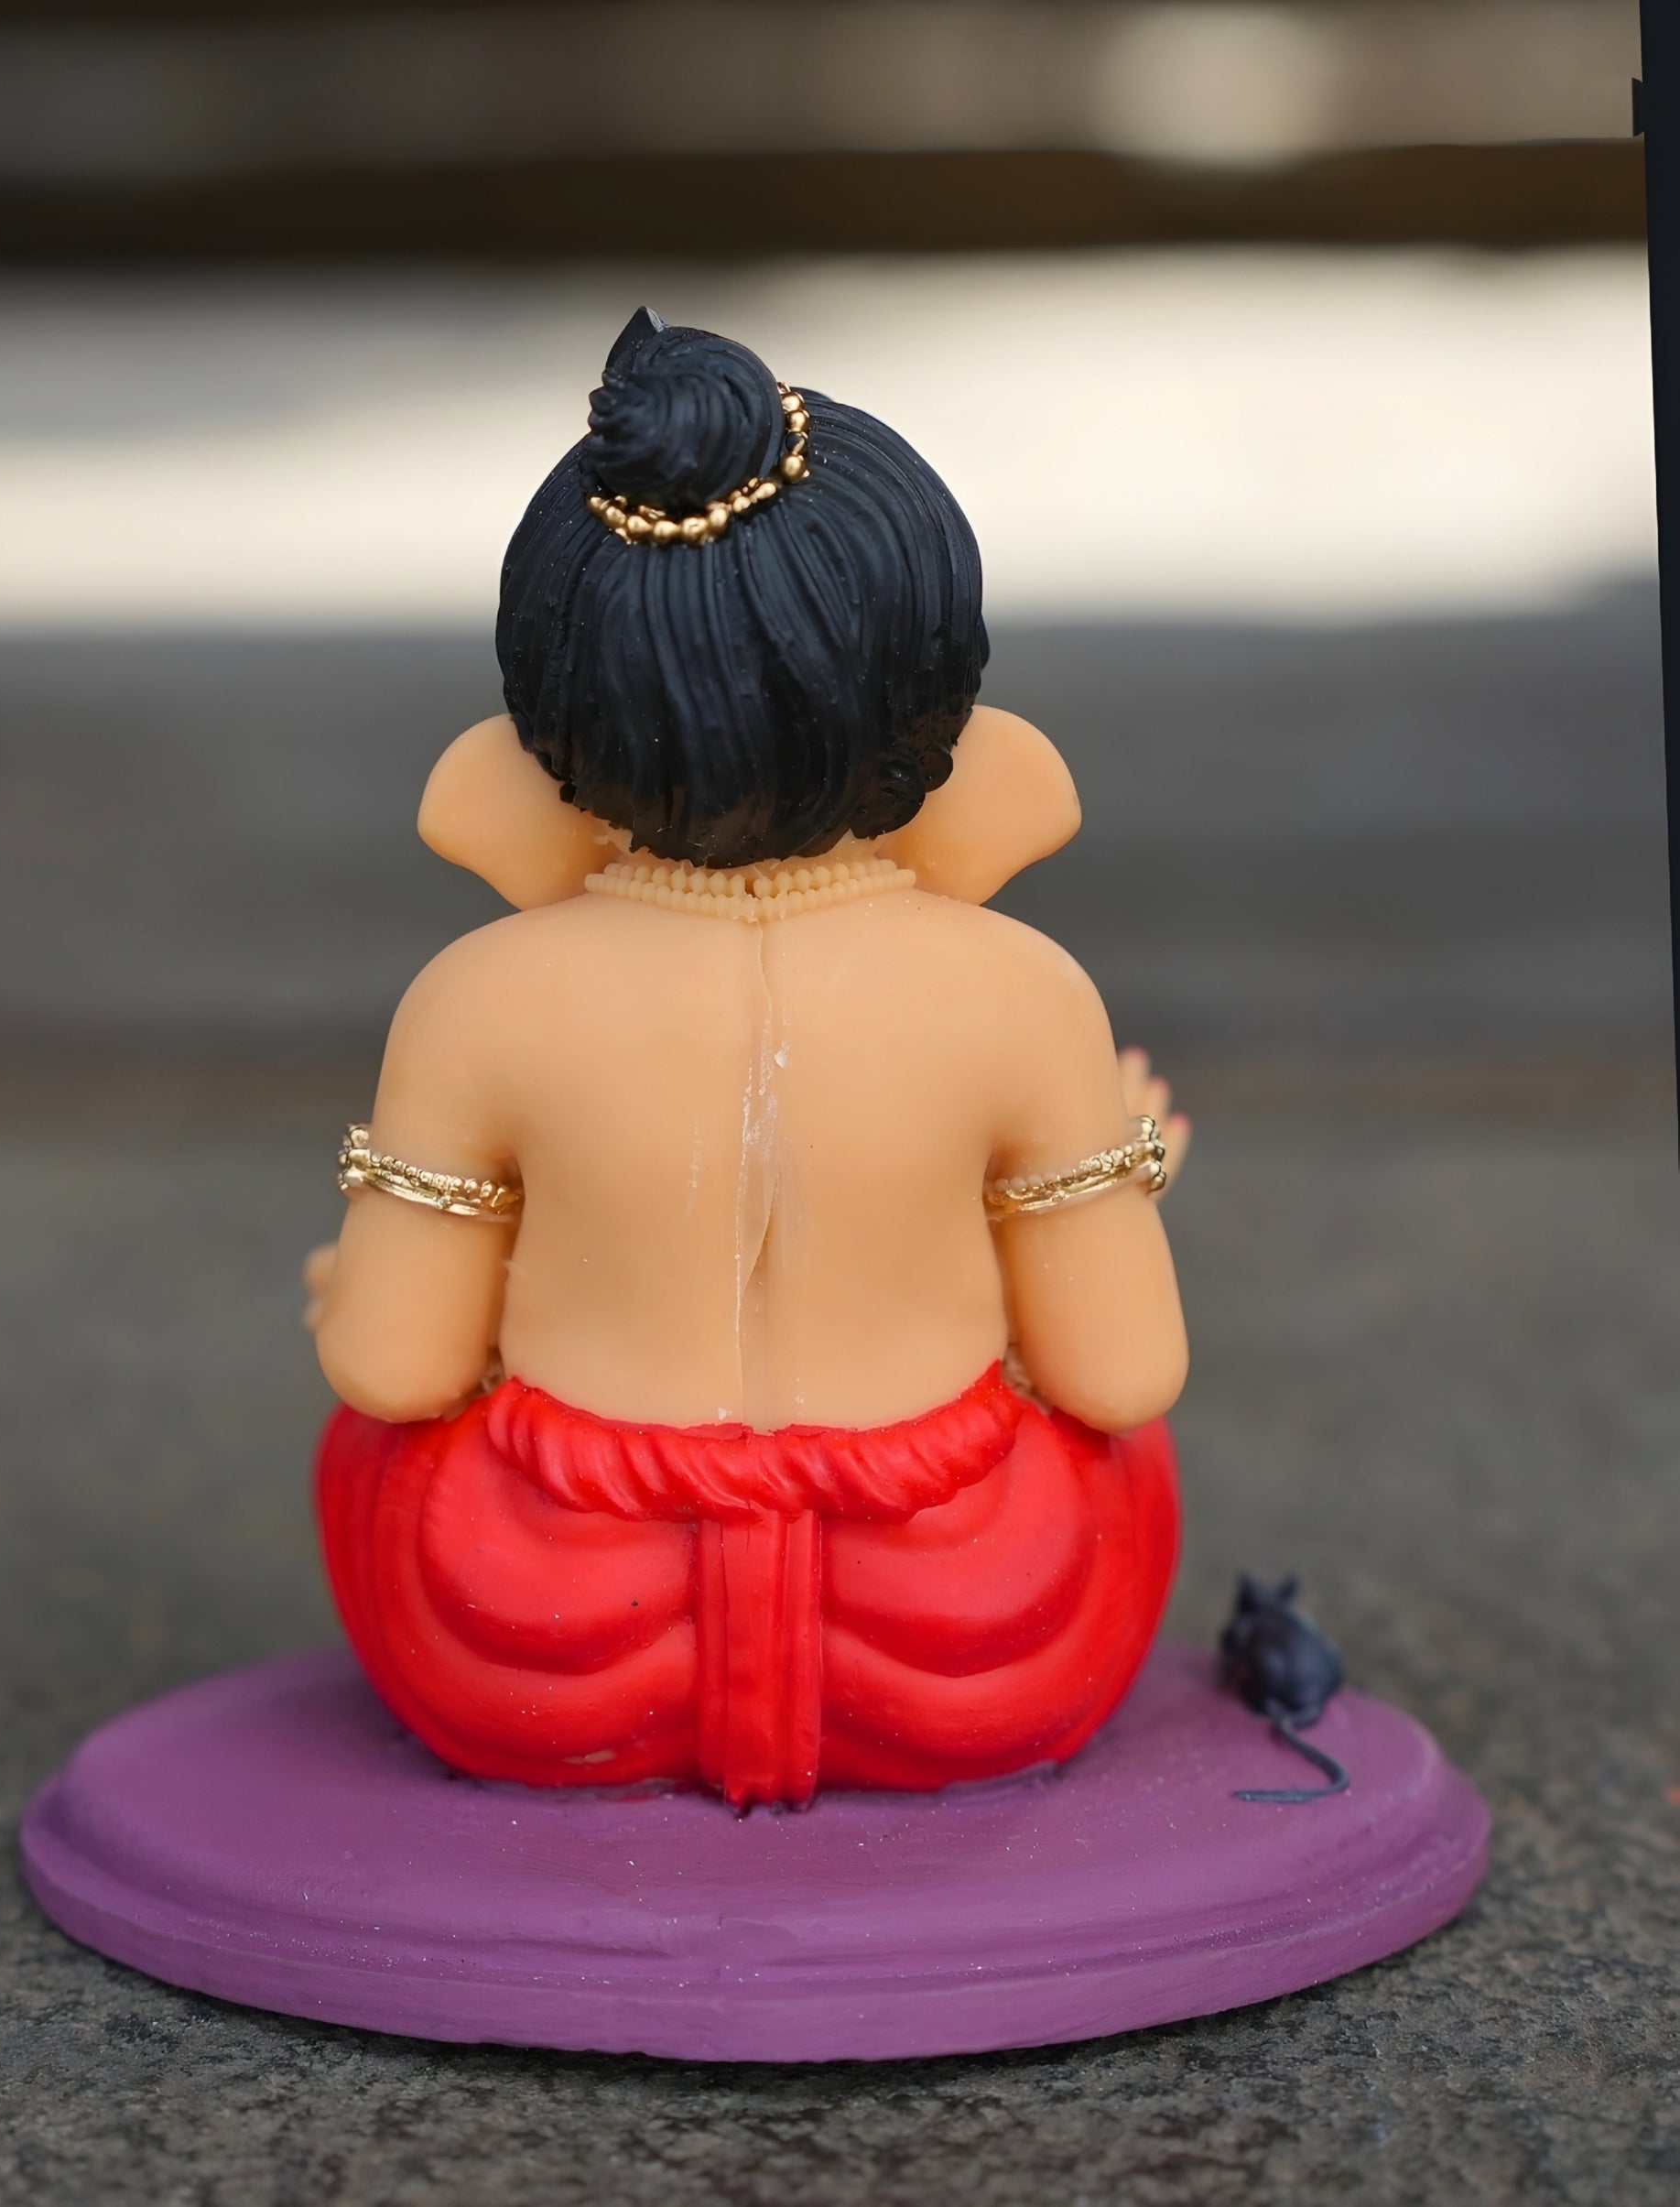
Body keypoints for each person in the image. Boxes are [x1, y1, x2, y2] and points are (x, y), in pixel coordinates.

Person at [304, 310, 1191, 1808]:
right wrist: (1117, 1176)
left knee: (379, 1447)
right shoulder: (1023, 991)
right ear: (937, 687)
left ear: (545, 713)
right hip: (971, 1627)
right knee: (1113, 1457)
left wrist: (372, 1276)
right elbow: (1122, 1370)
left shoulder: (476, 998)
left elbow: (394, 1367)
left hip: (543, 1637)